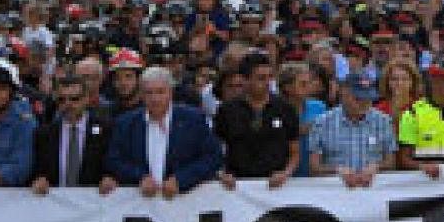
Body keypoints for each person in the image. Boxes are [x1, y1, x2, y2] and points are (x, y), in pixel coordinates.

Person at [103, 67, 224, 199]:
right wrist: (140, 177)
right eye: (149, 93)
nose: (155, 99)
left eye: (160, 92)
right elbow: (114, 160)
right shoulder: (125, 123)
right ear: (141, 94)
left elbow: (213, 156)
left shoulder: (193, 119)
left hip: (184, 201)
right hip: (140, 202)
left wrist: (180, 179)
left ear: (171, 93)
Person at [214, 53, 299, 189]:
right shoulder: (227, 110)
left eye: (270, 77)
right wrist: (222, 173)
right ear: (245, 80)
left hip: (277, 186)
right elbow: (216, 148)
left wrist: (286, 173)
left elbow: (294, 151)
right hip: (237, 187)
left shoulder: (285, 108)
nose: (267, 83)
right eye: (261, 78)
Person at [306, 74, 397, 185]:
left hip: (374, 189)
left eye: (369, 98)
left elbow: (391, 162)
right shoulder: (322, 123)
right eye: (358, 98)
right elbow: (314, 168)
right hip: (335, 190)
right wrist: (337, 170)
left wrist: (377, 167)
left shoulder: (384, 121)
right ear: (343, 93)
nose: (365, 102)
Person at [30, 76, 113, 192]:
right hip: (55, 201)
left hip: (94, 200)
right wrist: (39, 179)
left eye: (74, 99)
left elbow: (113, 165)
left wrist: (109, 177)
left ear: (86, 99)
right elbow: (36, 170)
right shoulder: (44, 134)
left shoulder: (106, 130)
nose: (68, 104)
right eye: (61, 100)